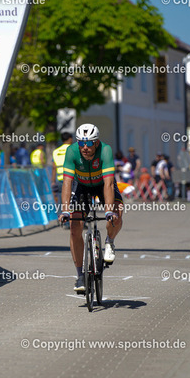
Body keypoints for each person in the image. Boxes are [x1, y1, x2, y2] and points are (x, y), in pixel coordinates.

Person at [58, 124, 123, 293]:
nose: (85, 147)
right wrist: (65, 210)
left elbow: (109, 184)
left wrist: (108, 210)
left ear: (97, 142)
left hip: (102, 185)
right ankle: (80, 275)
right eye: (81, 143)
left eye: (89, 143)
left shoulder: (105, 150)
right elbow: (67, 182)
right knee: (74, 227)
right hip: (82, 186)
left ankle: (110, 242)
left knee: (117, 213)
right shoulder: (72, 151)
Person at [51, 132, 73, 205]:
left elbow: (54, 167)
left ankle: (61, 212)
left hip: (60, 180)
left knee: (61, 203)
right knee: (72, 202)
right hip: (71, 180)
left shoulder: (56, 151)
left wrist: (53, 181)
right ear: (70, 139)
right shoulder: (73, 150)